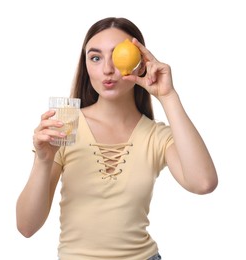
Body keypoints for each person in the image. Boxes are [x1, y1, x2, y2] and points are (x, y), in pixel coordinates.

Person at [16, 17, 218, 260]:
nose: (107, 69)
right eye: (96, 57)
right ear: (86, 65)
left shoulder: (157, 136)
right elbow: (27, 227)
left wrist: (168, 96)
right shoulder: (64, 128)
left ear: (140, 62)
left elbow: (203, 183)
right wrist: (43, 160)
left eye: (118, 55)